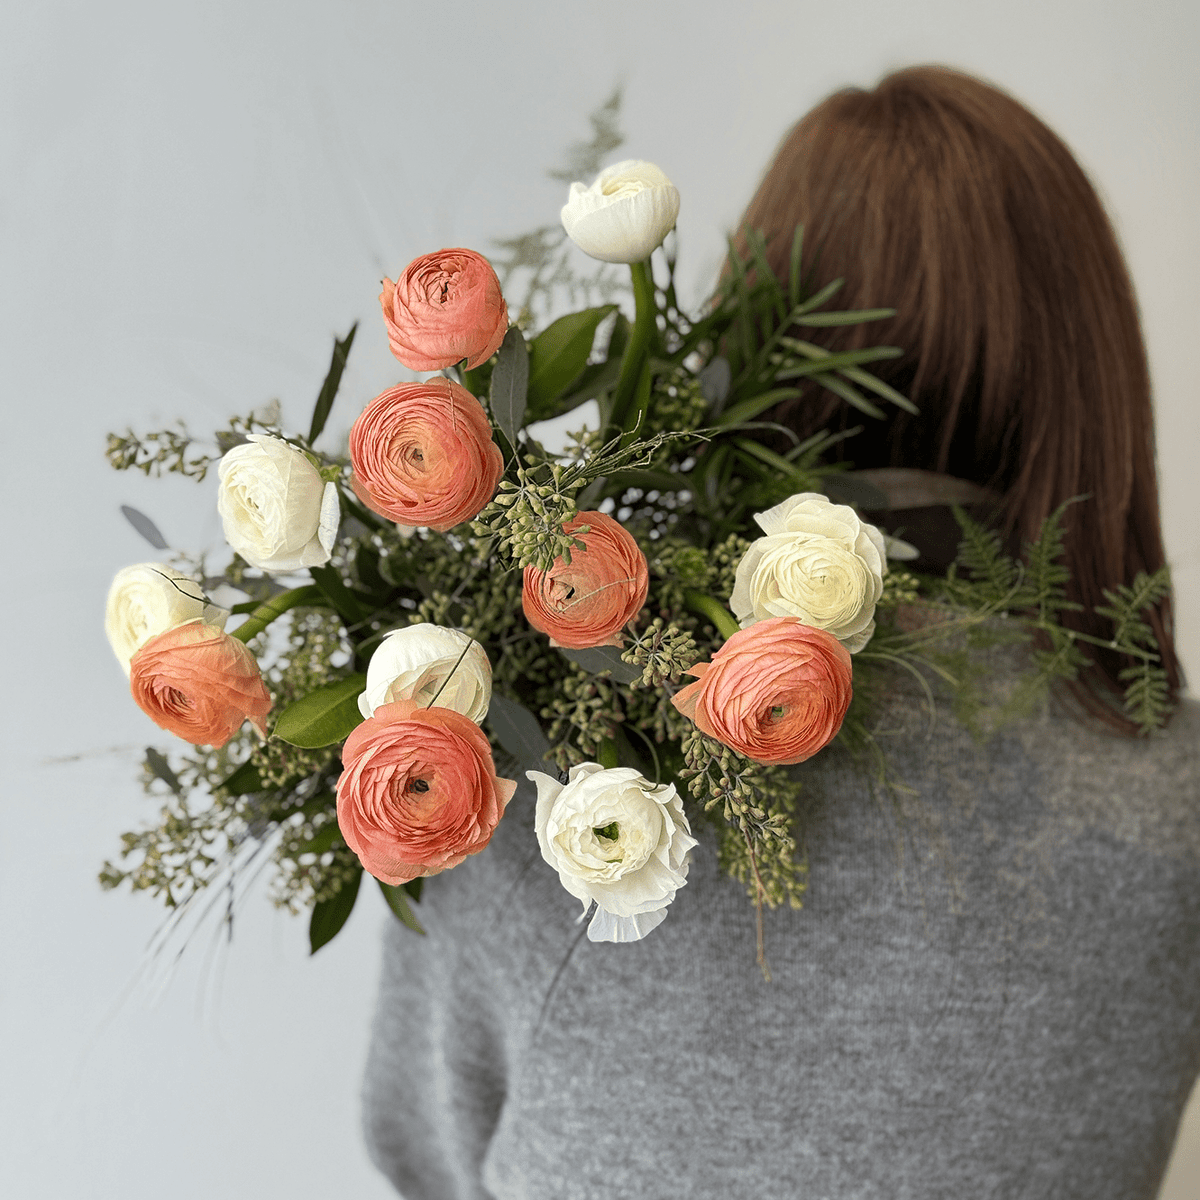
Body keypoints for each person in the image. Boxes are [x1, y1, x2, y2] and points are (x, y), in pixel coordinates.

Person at [361, 66, 1200, 1200]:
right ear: (1087, 384)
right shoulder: (1177, 810)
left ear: (747, 346)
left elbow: (431, 1155)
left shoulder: (537, 771)